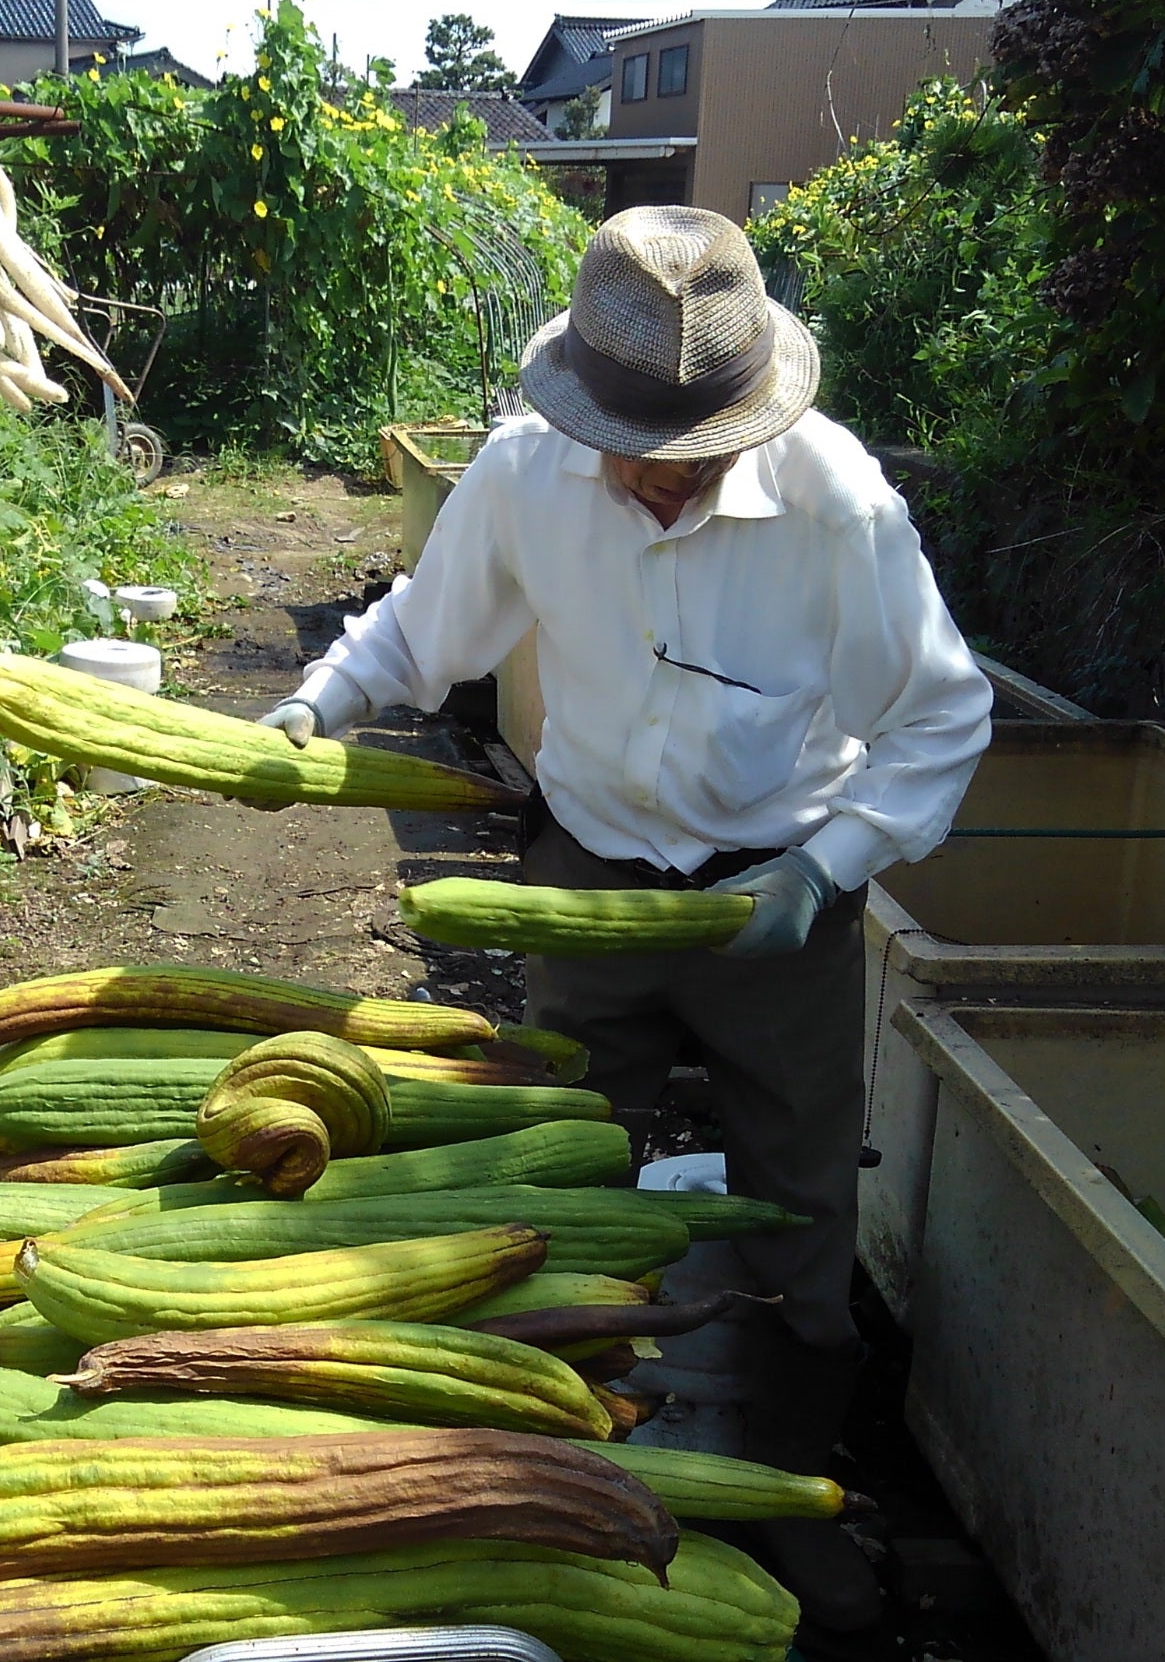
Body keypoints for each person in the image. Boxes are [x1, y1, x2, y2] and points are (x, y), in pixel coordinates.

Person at [260, 206, 992, 1631]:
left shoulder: (836, 505)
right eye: (618, 441)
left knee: (791, 1211)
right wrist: (312, 707)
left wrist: (828, 866)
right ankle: (564, 1478)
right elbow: (427, 629)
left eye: (675, 451)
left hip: (770, 898)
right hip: (587, 875)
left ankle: (785, 1491)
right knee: (551, 1185)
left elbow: (940, 716)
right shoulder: (529, 474)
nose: (641, 474)